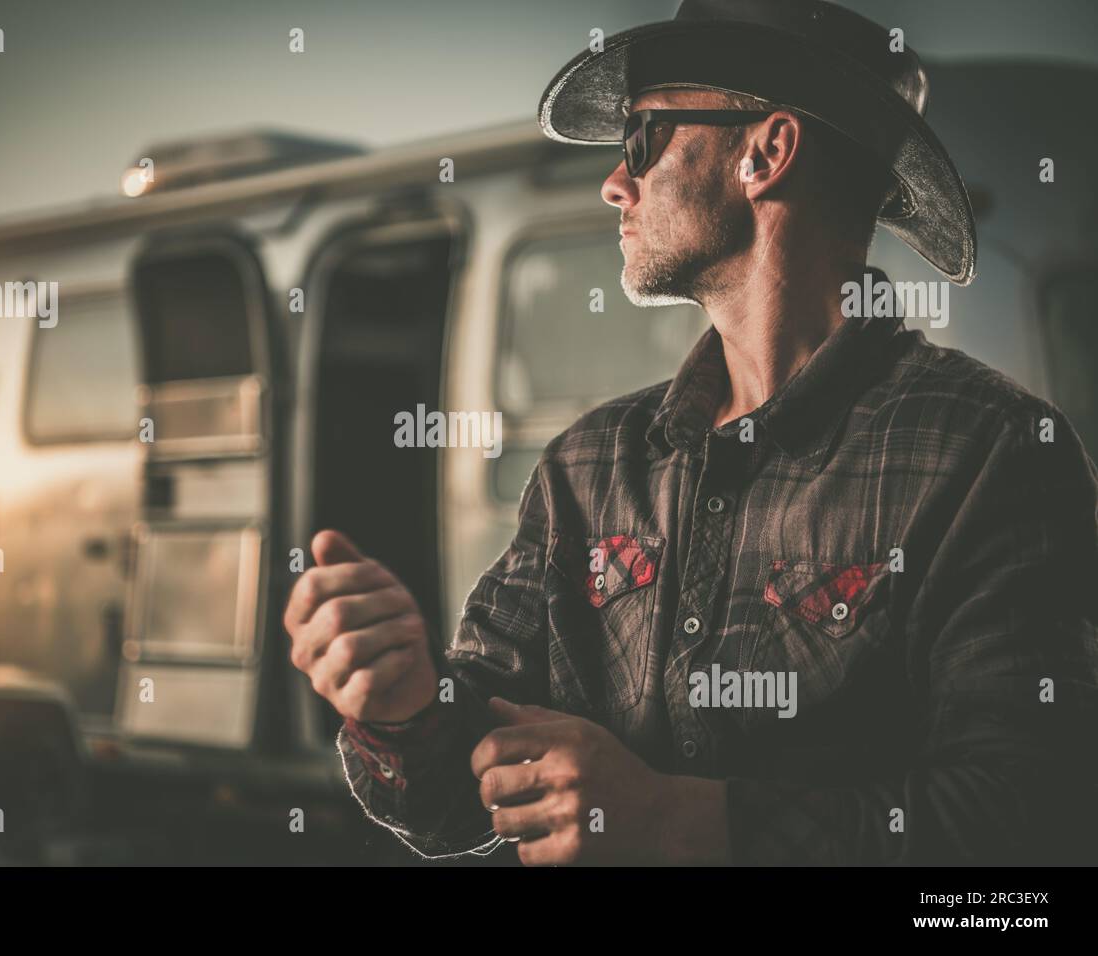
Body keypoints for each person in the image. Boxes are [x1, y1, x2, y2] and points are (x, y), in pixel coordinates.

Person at [283, 0, 1098, 865]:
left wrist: (685, 823)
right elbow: (459, 797)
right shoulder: (588, 468)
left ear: (766, 153)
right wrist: (404, 706)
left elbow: (1034, 829)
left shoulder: (986, 452)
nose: (615, 182)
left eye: (643, 137)